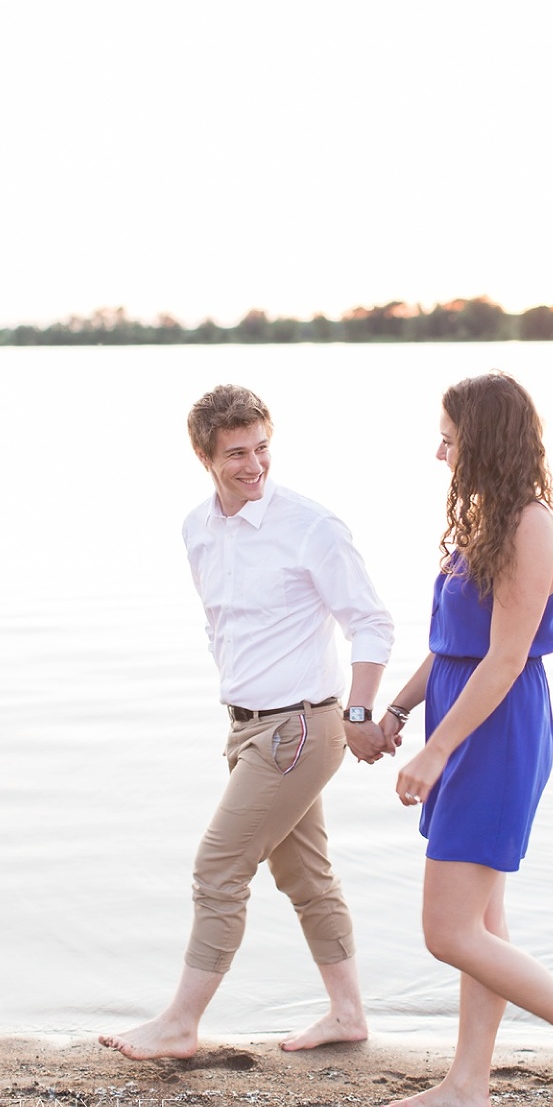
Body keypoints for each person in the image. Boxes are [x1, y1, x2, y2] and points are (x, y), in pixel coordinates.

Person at [100, 383, 393, 1060]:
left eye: (262, 448)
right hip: (246, 726)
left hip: (300, 730)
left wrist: (358, 713)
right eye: (236, 452)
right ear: (205, 455)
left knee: (219, 866)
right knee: (305, 875)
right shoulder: (196, 529)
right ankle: (349, 1014)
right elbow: (220, 626)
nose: (253, 464)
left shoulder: (311, 527)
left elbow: (371, 621)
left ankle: (179, 1024)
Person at [376, 371, 553, 1107]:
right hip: (464, 717)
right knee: (483, 923)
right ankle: (467, 1084)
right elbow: (454, 645)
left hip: (494, 731)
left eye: (449, 437)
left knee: (447, 931)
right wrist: (397, 709)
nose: (439, 452)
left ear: (482, 438)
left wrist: (436, 751)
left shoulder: (529, 525)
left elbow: (506, 659)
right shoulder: (485, 520)